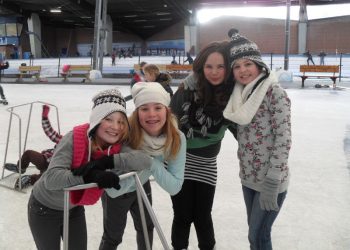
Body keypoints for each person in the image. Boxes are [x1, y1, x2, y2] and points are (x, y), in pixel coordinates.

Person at [28, 88, 153, 250]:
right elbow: (52, 179)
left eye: (121, 121)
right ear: (97, 119)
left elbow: (144, 161)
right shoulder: (73, 138)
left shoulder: (116, 145)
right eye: (109, 119)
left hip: (73, 209)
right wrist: (90, 176)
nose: (116, 127)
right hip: (44, 209)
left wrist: (108, 162)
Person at [223, 29, 291, 250]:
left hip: (270, 181)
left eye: (248, 64)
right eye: (237, 66)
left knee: (258, 235)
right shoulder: (239, 96)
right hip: (248, 177)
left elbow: (283, 138)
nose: (243, 70)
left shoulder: (274, 93)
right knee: (255, 235)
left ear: (259, 65)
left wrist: (273, 180)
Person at [99, 82, 186, 250]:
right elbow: (112, 189)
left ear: (166, 110)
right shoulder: (124, 133)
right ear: (137, 112)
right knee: (113, 237)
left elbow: (175, 186)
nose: (151, 114)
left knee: (146, 228)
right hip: (118, 190)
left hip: (142, 185)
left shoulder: (177, 138)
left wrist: (151, 163)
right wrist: (144, 163)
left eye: (157, 108)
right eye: (144, 108)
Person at [169, 41, 236, 250]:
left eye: (220, 67)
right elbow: (169, 126)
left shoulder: (234, 95)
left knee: (203, 216)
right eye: (209, 67)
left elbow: (242, 130)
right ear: (201, 67)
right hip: (180, 162)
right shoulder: (186, 90)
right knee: (182, 216)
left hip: (207, 164)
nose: (214, 72)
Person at [4, 104, 62, 188]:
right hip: (45, 160)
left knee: (48, 177)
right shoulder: (65, 139)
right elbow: (50, 131)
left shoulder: (80, 154)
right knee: (29, 153)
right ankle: (20, 168)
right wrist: (44, 117)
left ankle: (30, 179)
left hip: (56, 168)